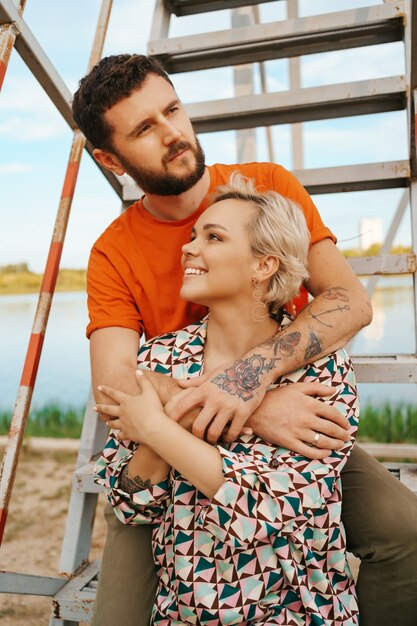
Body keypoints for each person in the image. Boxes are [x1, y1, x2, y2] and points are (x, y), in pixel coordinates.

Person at [70, 54, 417, 626]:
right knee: (126, 567)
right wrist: (250, 408)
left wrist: (252, 377)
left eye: (173, 110)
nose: (174, 134)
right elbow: (115, 387)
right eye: (145, 129)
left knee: (406, 534)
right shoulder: (114, 251)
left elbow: (348, 301)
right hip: (176, 446)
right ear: (111, 159)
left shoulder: (266, 189)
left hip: (293, 428)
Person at [94, 173, 360, 625]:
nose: (189, 247)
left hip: (291, 611)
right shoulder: (161, 355)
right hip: (179, 613)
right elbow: (130, 502)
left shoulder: (322, 371)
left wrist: (158, 424)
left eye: (213, 237)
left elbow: (270, 512)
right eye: (194, 235)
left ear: (264, 265)